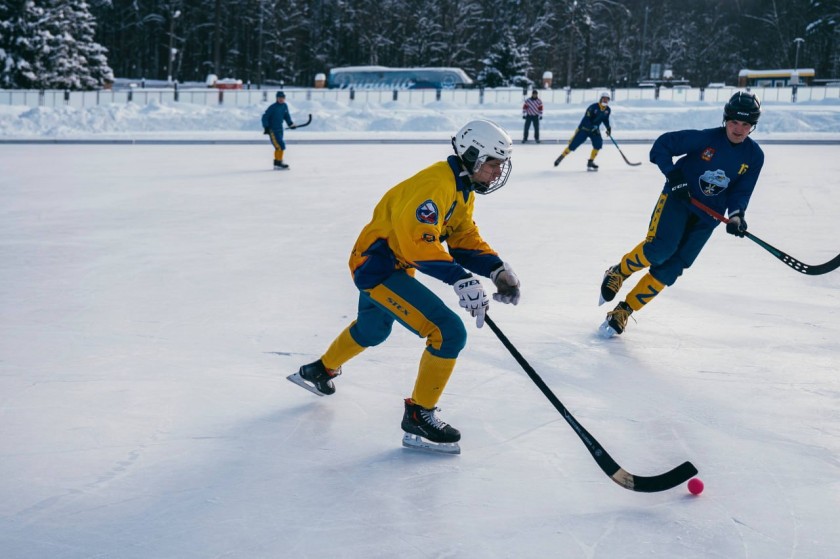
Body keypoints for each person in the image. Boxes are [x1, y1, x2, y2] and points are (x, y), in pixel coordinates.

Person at [288, 120, 521, 453]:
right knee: (448, 332)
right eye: (494, 163)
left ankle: (318, 371)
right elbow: (417, 244)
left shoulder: (460, 186)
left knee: (373, 330)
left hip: (389, 262)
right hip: (378, 266)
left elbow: (461, 236)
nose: (498, 172)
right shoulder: (434, 185)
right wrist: (460, 279)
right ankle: (419, 415)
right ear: (474, 156)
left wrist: (497, 270)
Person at [598, 91, 764, 337]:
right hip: (679, 201)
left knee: (672, 268)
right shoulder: (706, 139)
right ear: (725, 120)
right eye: (734, 122)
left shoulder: (754, 156)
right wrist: (674, 176)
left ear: (753, 126)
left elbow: (741, 191)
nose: (738, 129)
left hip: (708, 218)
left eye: (746, 124)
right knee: (660, 250)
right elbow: (661, 146)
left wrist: (737, 216)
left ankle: (624, 310)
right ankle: (619, 271)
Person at [554, 91, 612, 171]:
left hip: (595, 130)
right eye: (604, 99)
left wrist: (608, 128)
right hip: (584, 128)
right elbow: (586, 119)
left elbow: (605, 119)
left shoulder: (608, 110)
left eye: (607, 99)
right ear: (601, 99)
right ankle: (561, 157)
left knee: (598, 144)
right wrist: (592, 127)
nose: (605, 100)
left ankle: (591, 161)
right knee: (573, 145)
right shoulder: (593, 107)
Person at [262, 91, 296, 170]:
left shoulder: (284, 106)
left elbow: (287, 116)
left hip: (280, 129)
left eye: (282, 98)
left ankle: (278, 162)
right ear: (277, 98)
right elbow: (265, 117)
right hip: (272, 130)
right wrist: (266, 127)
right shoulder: (273, 107)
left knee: (280, 146)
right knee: (280, 146)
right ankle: (278, 163)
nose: (281, 99)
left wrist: (290, 124)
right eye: (279, 98)